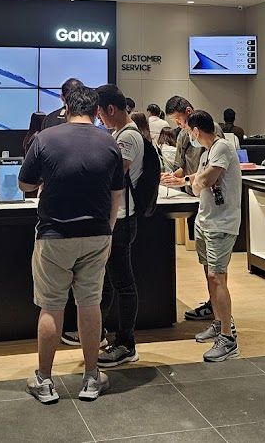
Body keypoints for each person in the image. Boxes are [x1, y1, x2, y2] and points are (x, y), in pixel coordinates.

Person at [19, 85, 123, 403]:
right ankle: (91, 378)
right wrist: (107, 228)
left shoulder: (45, 139)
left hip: (54, 235)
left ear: (65, 107)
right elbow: (116, 195)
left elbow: (24, 183)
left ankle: (45, 381)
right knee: (89, 304)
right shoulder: (110, 143)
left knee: (51, 307)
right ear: (96, 111)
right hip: (97, 235)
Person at [161, 110, 241, 362]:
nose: (187, 135)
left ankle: (228, 338)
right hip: (206, 220)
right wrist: (184, 180)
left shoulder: (222, 147)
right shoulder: (208, 152)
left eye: (187, 130)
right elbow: (198, 178)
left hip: (221, 223)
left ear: (196, 131)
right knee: (210, 274)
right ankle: (219, 322)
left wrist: (194, 183)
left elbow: (207, 180)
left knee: (217, 276)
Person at [95, 85, 144, 368]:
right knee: (112, 283)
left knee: (123, 284)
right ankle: (105, 334)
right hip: (117, 217)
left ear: (110, 110)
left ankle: (126, 343)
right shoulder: (119, 134)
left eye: (101, 113)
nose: (100, 119)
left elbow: (114, 174)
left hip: (122, 219)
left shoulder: (127, 137)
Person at [165, 95, 212, 321]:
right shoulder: (184, 135)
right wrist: (170, 179)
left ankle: (217, 307)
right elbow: (180, 167)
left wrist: (183, 180)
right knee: (204, 257)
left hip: (212, 201)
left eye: (179, 119)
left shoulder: (210, 132)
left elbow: (211, 171)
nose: (178, 124)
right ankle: (213, 302)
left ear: (189, 111)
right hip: (195, 198)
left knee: (213, 262)